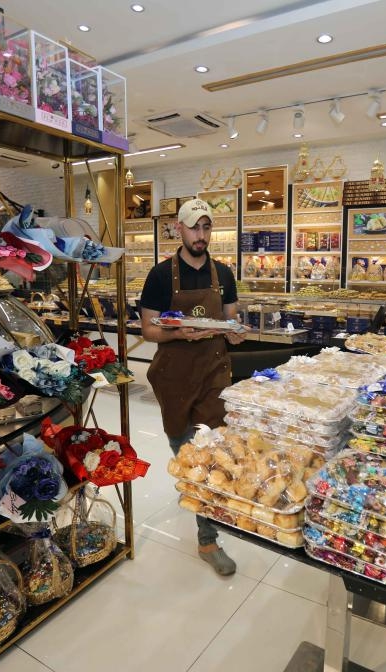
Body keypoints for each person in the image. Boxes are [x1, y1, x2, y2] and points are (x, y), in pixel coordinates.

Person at [139, 198, 246, 576]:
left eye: (206, 227)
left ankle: (207, 539)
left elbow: (230, 321)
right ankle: (197, 493)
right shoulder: (159, 276)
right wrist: (177, 334)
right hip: (174, 376)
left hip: (214, 373)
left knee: (211, 458)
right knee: (185, 452)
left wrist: (236, 333)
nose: (201, 235)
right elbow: (148, 329)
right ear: (179, 229)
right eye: (194, 227)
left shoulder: (224, 274)